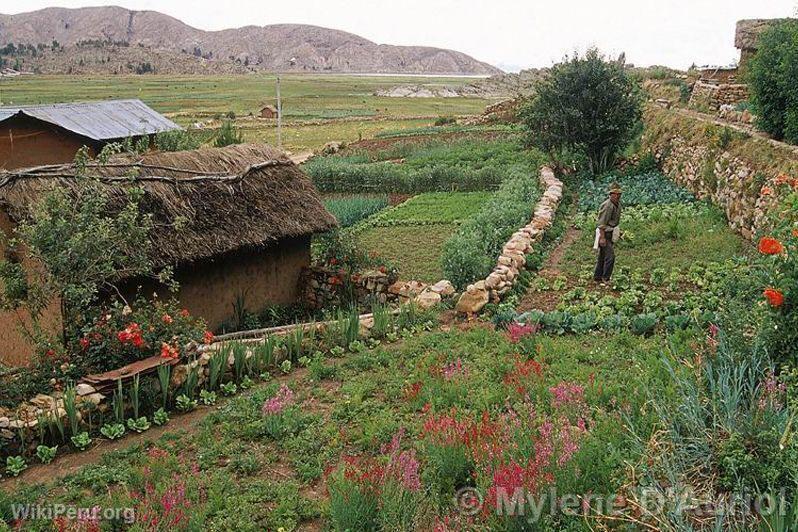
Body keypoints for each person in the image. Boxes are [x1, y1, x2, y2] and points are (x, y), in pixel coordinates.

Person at [593, 183, 622, 283]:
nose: (618, 196)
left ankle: (597, 277)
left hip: (610, 232)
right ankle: (606, 278)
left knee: (603, 256)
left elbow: (614, 222)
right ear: (610, 194)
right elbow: (602, 223)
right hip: (605, 233)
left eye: (619, 194)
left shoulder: (617, 204)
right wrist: (602, 238)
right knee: (610, 257)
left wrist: (618, 232)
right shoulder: (607, 206)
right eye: (615, 194)